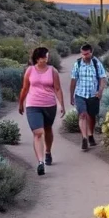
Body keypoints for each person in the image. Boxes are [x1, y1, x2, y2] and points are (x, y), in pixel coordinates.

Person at [18, 46, 66, 175]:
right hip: (33, 105)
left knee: (48, 129)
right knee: (38, 133)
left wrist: (62, 104)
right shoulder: (30, 70)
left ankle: (48, 151)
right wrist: (21, 103)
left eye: (47, 56)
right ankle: (41, 162)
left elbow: (57, 88)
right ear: (38, 58)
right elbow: (25, 88)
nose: (47, 58)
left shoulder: (52, 71)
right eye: (45, 56)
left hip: (49, 105)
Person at [70, 43, 106, 151]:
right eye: (83, 54)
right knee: (82, 115)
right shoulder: (78, 64)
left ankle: (90, 135)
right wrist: (71, 95)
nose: (85, 56)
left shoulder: (96, 63)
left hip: (93, 95)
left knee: (92, 116)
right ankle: (84, 138)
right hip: (80, 94)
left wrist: (100, 91)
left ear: (91, 52)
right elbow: (73, 80)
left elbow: (102, 78)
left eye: (87, 54)